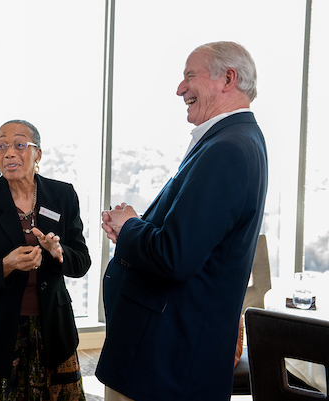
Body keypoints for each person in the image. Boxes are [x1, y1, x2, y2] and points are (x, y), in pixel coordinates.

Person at [96, 41, 268, 401]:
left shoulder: (227, 149)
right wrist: (133, 231)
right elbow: (190, 239)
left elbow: (175, 257)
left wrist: (130, 226)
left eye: (190, 75)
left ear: (228, 79)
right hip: (162, 355)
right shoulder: (233, 140)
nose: (180, 88)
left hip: (166, 364)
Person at [0, 120, 92, 400]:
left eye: (19, 144)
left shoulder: (63, 195)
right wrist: (7, 265)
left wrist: (58, 253)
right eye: (1, 145)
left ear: (37, 154)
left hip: (53, 330)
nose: (9, 153)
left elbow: (82, 262)